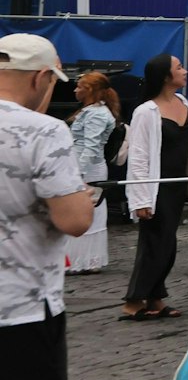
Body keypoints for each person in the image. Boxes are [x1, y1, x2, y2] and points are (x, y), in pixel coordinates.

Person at [0, 35, 92, 380]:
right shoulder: (44, 129)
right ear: (41, 78)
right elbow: (74, 220)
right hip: (21, 307)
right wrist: (84, 198)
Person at [123, 53, 188, 321]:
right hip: (155, 185)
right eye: (179, 67)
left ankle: (155, 296)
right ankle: (134, 299)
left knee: (168, 242)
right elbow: (138, 156)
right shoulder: (146, 112)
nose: (184, 71)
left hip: (177, 183)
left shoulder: (184, 102)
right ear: (165, 76)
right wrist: (140, 198)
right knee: (154, 242)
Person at [64, 72, 118, 274]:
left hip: (88, 169)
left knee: (87, 212)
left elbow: (91, 146)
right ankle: (81, 259)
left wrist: (79, 173)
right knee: (88, 211)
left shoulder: (96, 114)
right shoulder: (90, 111)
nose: (75, 90)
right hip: (83, 166)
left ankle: (83, 261)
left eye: (79, 87)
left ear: (90, 90)